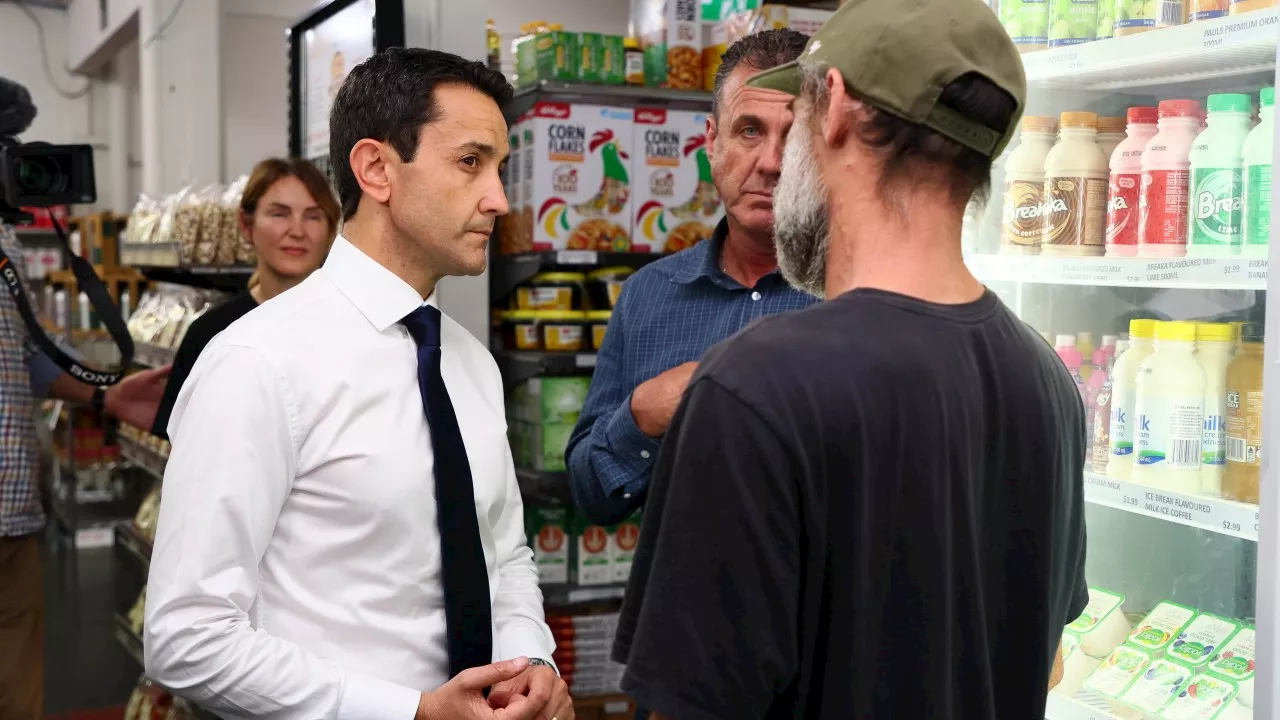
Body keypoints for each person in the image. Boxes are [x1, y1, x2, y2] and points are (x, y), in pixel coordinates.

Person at [612, 1, 1088, 718]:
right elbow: (1045, 663)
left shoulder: (753, 387)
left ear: (832, 107)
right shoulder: (1048, 380)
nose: (777, 157)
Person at [144, 48, 568, 720]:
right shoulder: (257, 362)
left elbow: (504, 551)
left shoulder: (467, 362)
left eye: (500, 168)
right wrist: (409, 711)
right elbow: (185, 637)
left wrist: (530, 663)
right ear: (375, 169)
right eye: (470, 162)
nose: (498, 198)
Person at [566, 29, 816, 524]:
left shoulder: (858, 296)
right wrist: (641, 417)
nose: (770, 163)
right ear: (710, 142)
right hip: (680, 599)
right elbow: (589, 493)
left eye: (795, 137)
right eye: (749, 131)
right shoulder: (649, 294)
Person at [1, 221, 169, 719]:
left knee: (18, 690)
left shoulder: (5, 240)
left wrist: (103, 396)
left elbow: (26, 352)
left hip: (13, 513)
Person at [150, 157, 340, 439]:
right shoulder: (210, 334)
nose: (297, 231)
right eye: (279, 214)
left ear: (330, 230)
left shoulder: (350, 327)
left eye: (313, 216)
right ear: (246, 224)